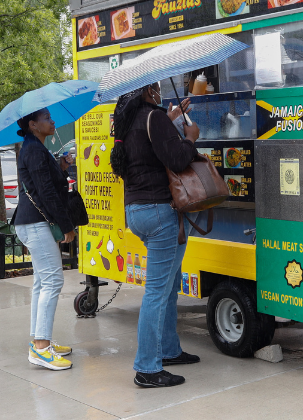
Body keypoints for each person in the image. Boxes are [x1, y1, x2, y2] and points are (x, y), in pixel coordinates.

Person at [110, 82, 200, 388]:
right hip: (161, 212)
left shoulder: (128, 122)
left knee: (170, 283)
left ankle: (169, 350)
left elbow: (146, 154)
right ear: (148, 91)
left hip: (137, 212)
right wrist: (189, 138)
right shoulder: (153, 117)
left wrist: (170, 117)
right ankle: (147, 368)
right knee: (157, 292)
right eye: (157, 88)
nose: (160, 91)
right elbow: (177, 159)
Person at [14, 108, 77, 371]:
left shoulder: (34, 147)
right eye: (47, 119)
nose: (52, 121)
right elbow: (47, 193)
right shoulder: (33, 150)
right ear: (33, 125)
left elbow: (46, 183)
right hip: (36, 223)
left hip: (31, 222)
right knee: (52, 280)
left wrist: (60, 165)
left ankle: (40, 340)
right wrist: (67, 226)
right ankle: (41, 348)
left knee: (42, 282)